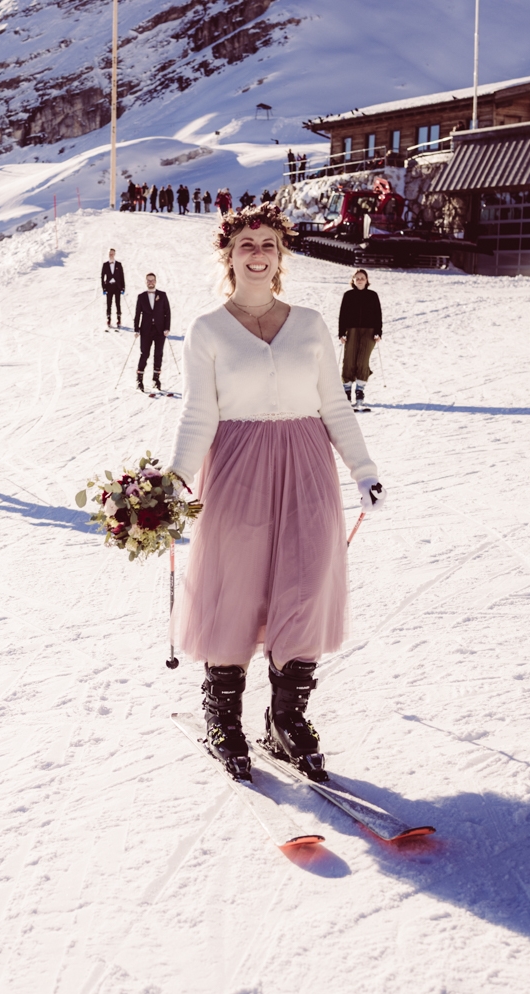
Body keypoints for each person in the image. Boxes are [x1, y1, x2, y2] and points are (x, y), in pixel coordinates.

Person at [166, 204, 386, 782]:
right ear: (229, 256)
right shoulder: (208, 329)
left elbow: (333, 404)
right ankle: (223, 716)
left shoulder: (309, 324)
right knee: (235, 586)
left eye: (267, 244)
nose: (258, 253)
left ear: (281, 254)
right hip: (237, 465)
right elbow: (198, 414)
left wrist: (363, 470)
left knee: (305, 584)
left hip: (307, 462)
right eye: (246, 244)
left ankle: (286, 718)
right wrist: (174, 481)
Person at [337, 269, 382, 409]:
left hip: (369, 332)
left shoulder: (372, 295)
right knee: (349, 360)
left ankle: (360, 392)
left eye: (362, 278)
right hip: (351, 331)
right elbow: (342, 315)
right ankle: (346, 392)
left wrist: (378, 332)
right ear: (353, 280)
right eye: (357, 278)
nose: (360, 280)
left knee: (363, 360)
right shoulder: (348, 295)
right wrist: (341, 333)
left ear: (367, 280)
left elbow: (378, 314)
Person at [133, 272, 171, 392]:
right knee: (144, 354)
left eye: (152, 280)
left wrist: (167, 328)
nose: (150, 282)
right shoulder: (141, 297)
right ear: (145, 282)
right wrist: (136, 329)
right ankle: (139, 380)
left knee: (158, 354)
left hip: (160, 330)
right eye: (148, 280)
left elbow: (167, 312)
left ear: (155, 281)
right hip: (146, 330)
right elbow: (137, 314)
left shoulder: (162, 295)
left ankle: (156, 379)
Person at [101, 249, 125, 327]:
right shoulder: (105, 264)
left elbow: (122, 276)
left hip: (117, 287)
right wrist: (104, 288)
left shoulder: (118, 264)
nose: (111, 255)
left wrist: (123, 287)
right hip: (109, 287)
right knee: (109, 304)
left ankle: (119, 319)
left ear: (114, 254)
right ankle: (109, 319)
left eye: (112, 253)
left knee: (118, 303)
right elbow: (102, 277)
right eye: (110, 253)